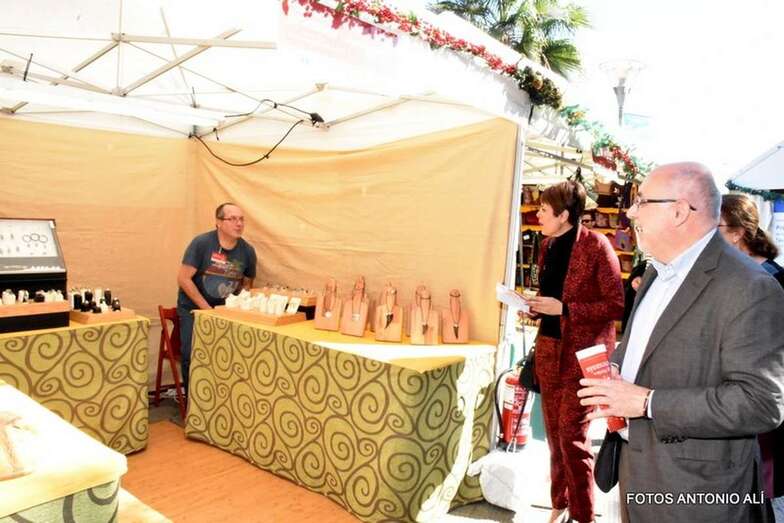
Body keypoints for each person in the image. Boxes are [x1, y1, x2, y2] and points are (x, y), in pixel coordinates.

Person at [578, 163, 784, 523]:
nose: (631, 212)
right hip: (637, 473)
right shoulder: (656, 271)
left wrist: (647, 402)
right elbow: (647, 347)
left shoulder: (750, 286)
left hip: (698, 494)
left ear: (679, 211)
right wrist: (616, 369)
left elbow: (761, 403)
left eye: (641, 201)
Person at [522, 180, 624, 523]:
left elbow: (615, 304)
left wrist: (565, 309)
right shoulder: (547, 246)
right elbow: (550, 296)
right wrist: (536, 307)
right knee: (554, 437)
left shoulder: (597, 246)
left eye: (544, 210)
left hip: (583, 358)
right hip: (549, 351)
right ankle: (559, 503)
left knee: (572, 438)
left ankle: (583, 515)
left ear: (564, 215)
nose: (538, 214)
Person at [718, 193, 784, 501]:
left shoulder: (771, 278)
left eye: (716, 227)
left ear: (737, 233)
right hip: (731, 394)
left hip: (759, 394)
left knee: (760, 485)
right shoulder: (728, 273)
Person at [177, 203, 257, 394]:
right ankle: (192, 400)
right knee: (191, 353)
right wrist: (206, 310)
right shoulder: (201, 243)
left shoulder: (247, 251)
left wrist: (236, 306)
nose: (239, 224)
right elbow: (183, 279)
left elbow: (247, 284)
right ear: (218, 222)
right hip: (194, 308)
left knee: (228, 355)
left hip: (225, 312)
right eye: (233, 219)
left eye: (241, 219)